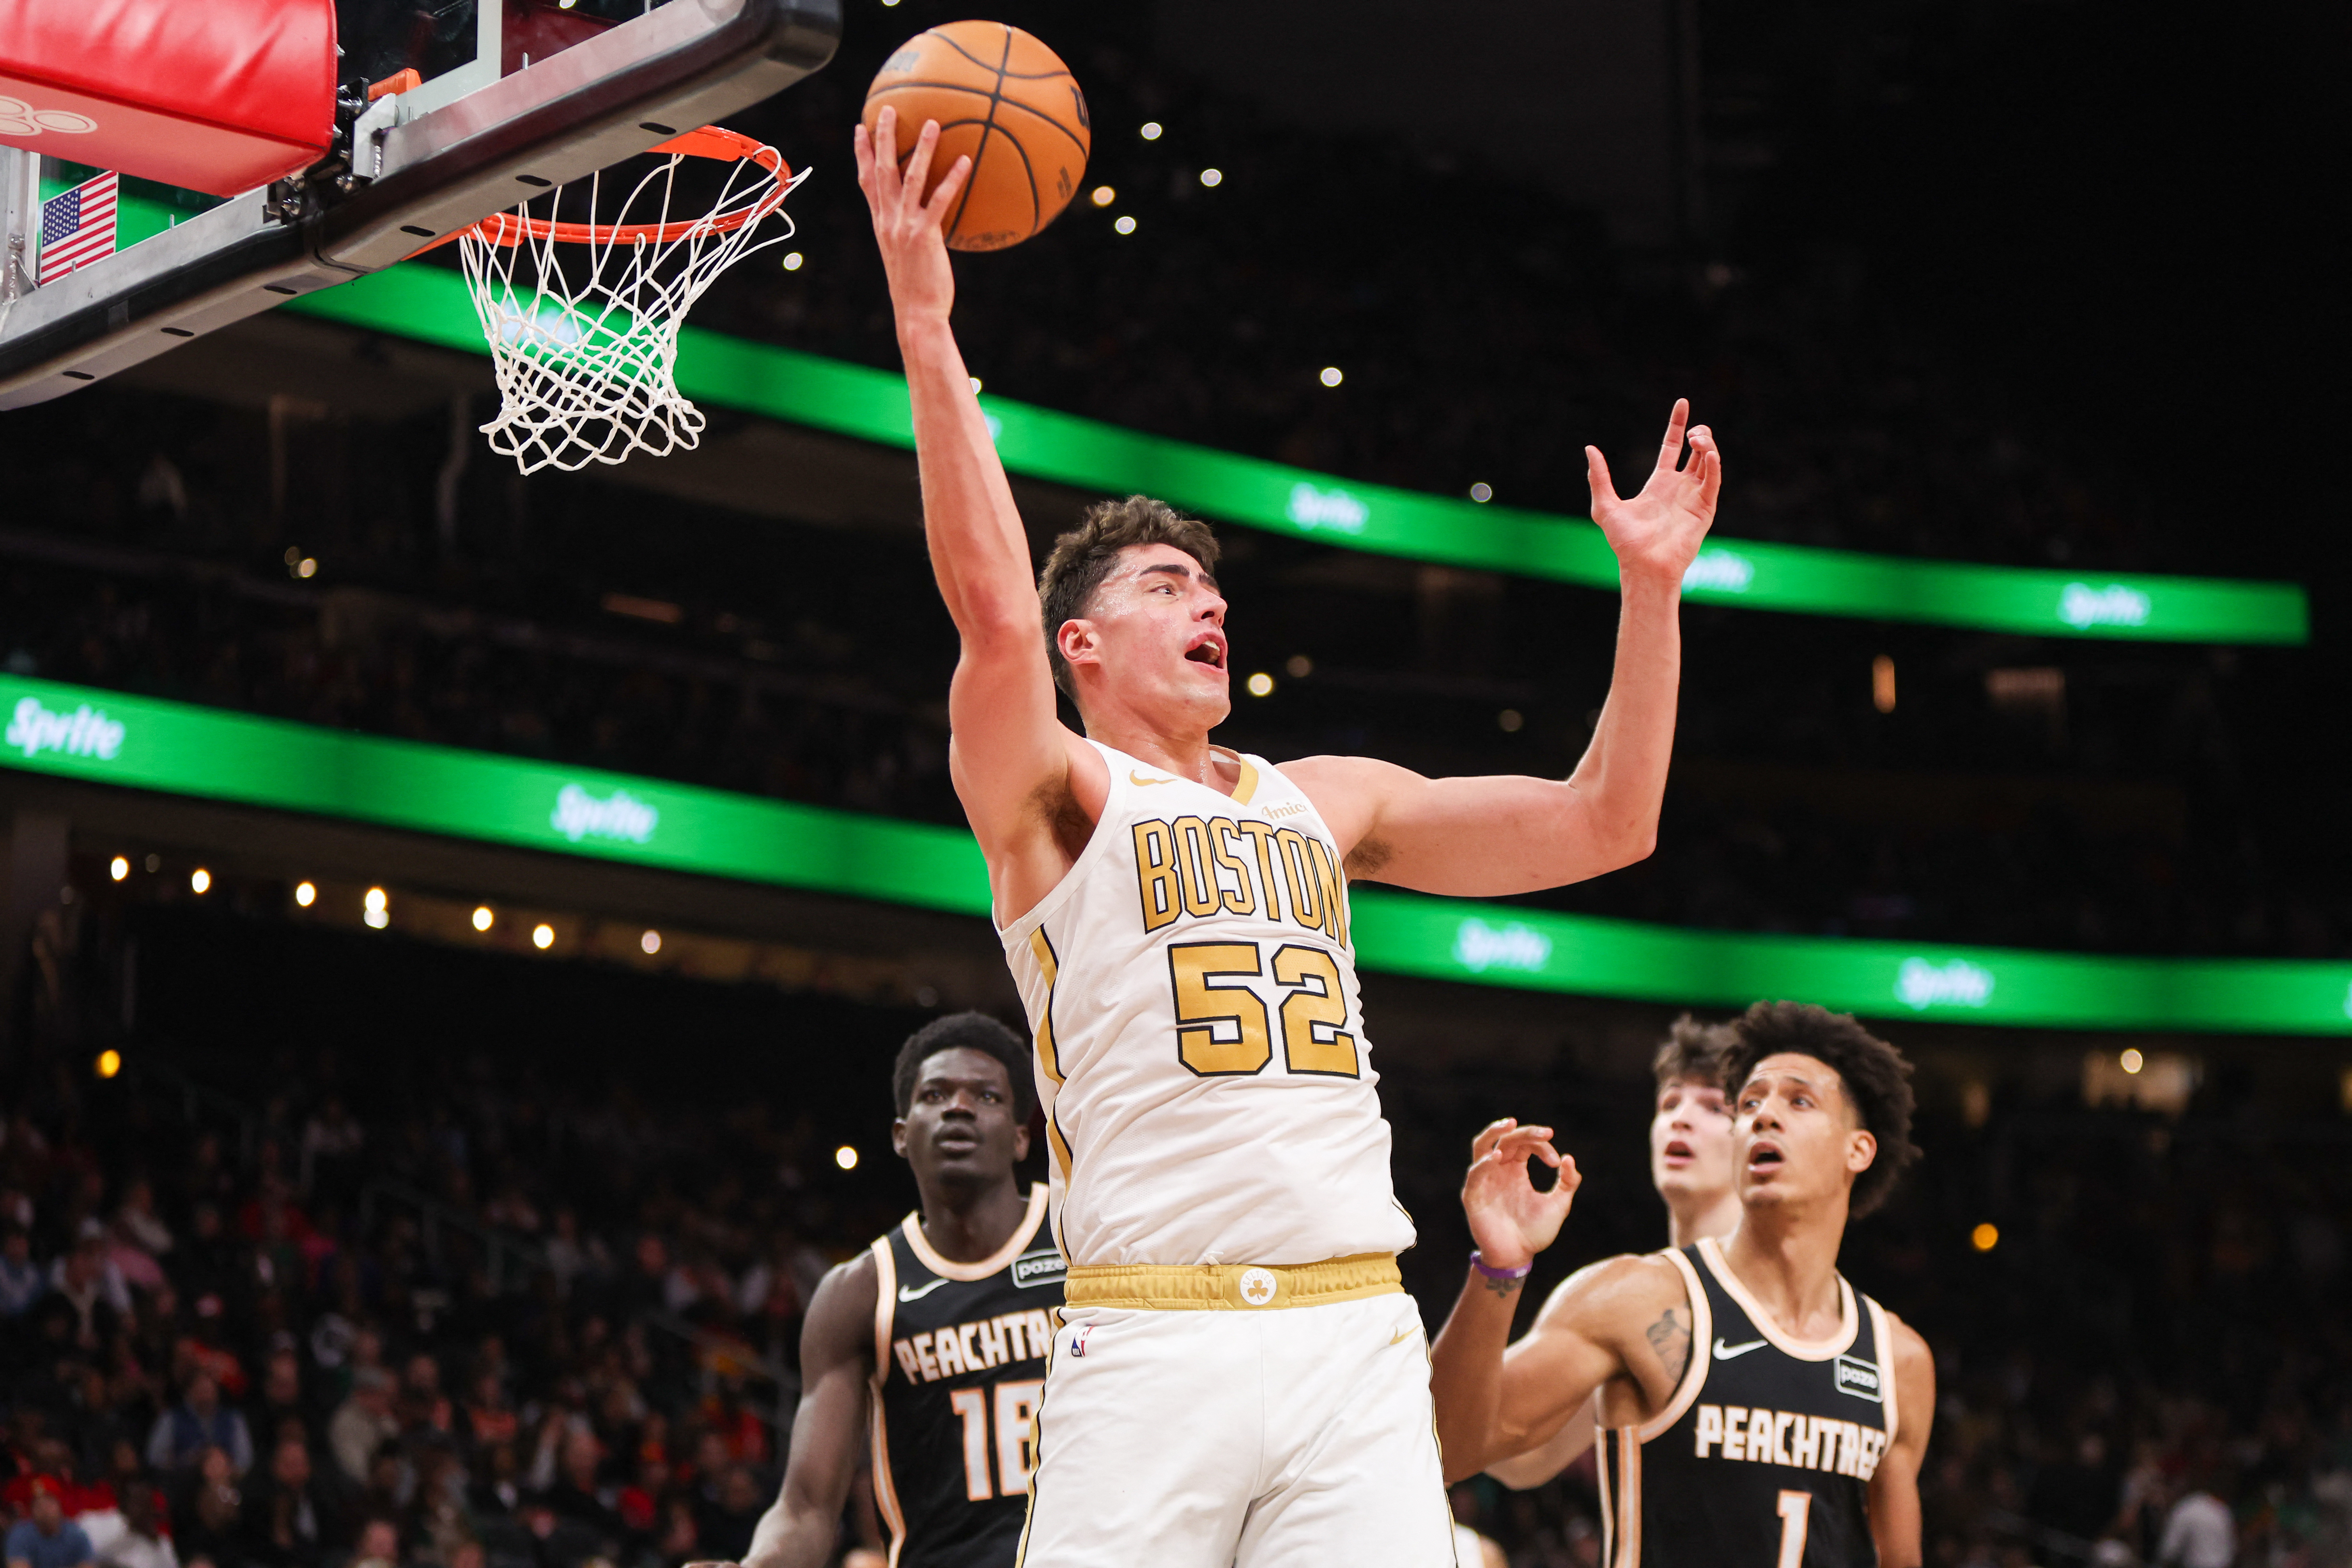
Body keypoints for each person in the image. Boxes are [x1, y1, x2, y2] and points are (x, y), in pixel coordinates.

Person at [851, 105, 1722, 1568]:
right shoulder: (1052, 794)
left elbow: (1606, 822)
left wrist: (1652, 593)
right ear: (1084, 641)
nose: (1214, 605)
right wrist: (929, 328)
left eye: (1217, 589)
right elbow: (990, 609)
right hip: (1151, 1331)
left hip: (1349, 1331)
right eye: (1170, 584)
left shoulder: (1326, 799)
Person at [1429, 1001, 1936, 1566]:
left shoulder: (1899, 1359)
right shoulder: (1630, 1299)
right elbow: (1450, 1448)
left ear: (1858, 1147)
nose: (1765, 1115)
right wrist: (1498, 1267)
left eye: (1797, 1100)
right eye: (1748, 1103)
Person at [732, 1013, 1063, 1568]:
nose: (959, 1106)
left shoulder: (1082, 1237)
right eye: (935, 1094)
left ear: (1021, 1134)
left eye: (986, 1095)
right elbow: (807, 1507)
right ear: (901, 1133)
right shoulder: (860, 1291)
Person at [1486, 1015, 1743, 1490]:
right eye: (1669, 1102)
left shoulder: (1828, 1320)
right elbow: (1514, 1457)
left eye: (1712, 1106)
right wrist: (1498, 1270)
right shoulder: (1626, 1306)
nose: (1680, 1117)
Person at [6, 1481, 96, 1568]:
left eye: (49, 1503)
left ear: (60, 1505)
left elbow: (88, 1564)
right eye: (38, 1505)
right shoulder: (21, 1535)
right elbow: (17, 1564)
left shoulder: (76, 1534)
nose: (45, 1510)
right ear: (31, 1510)